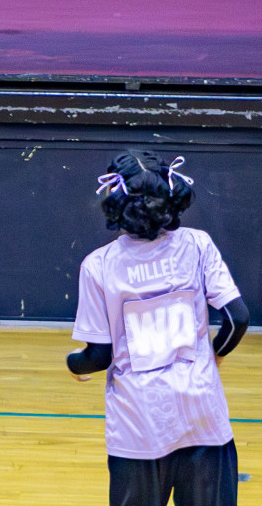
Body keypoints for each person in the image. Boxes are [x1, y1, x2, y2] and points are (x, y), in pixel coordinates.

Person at [68, 150, 249, 506]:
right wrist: (216, 354)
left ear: (115, 201)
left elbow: (99, 356)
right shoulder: (198, 244)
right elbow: (237, 318)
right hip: (204, 421)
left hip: (138, 428)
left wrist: (75, 363)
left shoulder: (98, 266)